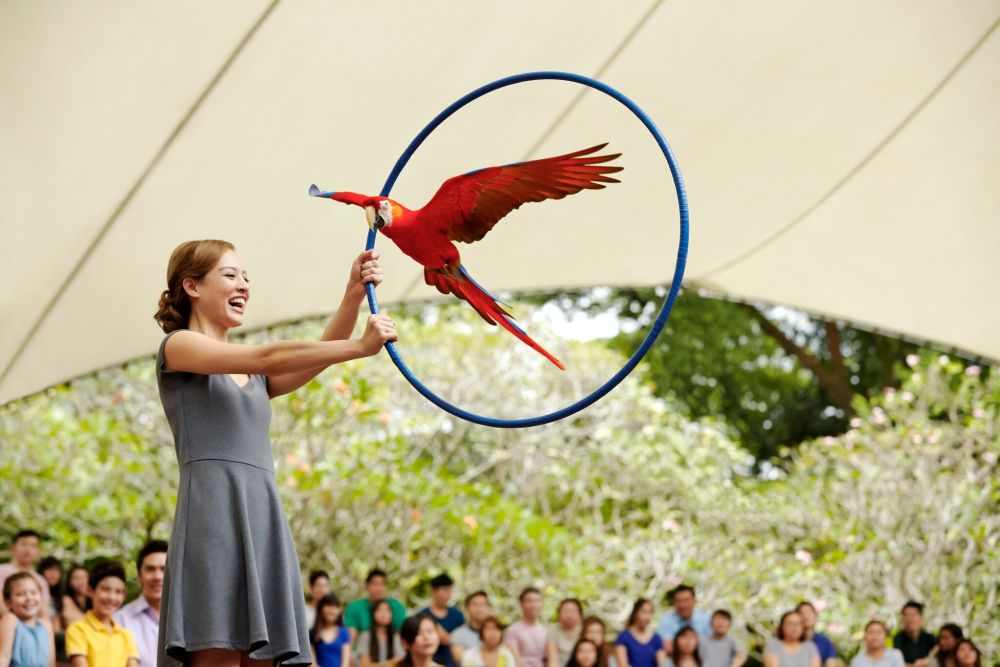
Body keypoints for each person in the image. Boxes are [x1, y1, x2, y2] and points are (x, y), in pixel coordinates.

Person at [153, 239, 396, 667]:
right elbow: (269, 355)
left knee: (264, 657)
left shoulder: (254, 375)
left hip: (263, 515)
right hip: (214, 514)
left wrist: (353, 295)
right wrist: (361, 347)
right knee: (219, 651)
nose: (243, 285)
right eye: (230, 275)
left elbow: (315, 357)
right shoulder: (179, 347)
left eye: (246, 277)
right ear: (191, 286)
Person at [64, 561, 139, 667]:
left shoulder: (126, 635)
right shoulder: (77, 629)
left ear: (124, 595)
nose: (112, 597)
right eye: (105, 589)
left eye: (118, 592)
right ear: (90, 590)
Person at [114, 540, 167, 667]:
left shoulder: (189, 620)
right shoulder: (119, 620)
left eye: (164, 569)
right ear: (139, 576)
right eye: (150, 569)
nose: (157, 576)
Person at [0, 572, 56, 667]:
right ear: (8, 602)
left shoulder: (46, 625)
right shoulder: (10, 620)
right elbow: (3, 658)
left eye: (33, 593)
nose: (29, 598)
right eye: (20, 594)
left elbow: (51, 663)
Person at [346, 569, 408, 640]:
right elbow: (350, 638)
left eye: (382, 584)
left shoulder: (397, 607)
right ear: (367, 586)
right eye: (374, 584)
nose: (378, 589)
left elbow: (403, 636)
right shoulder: (354, 607)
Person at [0, 531, 50, 619]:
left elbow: (43, 613)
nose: (28, 549)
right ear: (13, 548)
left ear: (39, 551)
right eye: (24, 544)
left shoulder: (40, 580)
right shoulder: (1, 571)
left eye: (33, 546)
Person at [419, 574, 465, 667]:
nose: (447, 595)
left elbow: (462, 641)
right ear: (433, 591)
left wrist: (448, 638)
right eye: (444, 591)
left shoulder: (457, 615)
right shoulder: (422, 615)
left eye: (449, 591)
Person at [657, 586, 711, 654]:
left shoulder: (706, 619)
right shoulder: (666, 619)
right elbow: (667, 647)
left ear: (694, 601)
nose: (683, 605)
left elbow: (712, 646)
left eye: (686, 600)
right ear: (674, 603)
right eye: (679, 601)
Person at [614, 599, 665, 667]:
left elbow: (661, 663)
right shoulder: (623, 637)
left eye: (650, 612)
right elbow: (622, 665)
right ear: (635, 613)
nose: (647, 617)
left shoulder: (656, 638)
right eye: (643, 612)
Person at [504, 588, 548, 667]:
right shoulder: (512, 630)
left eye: (537, 601)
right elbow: (515, 659)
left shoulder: (546, 630)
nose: (534, 605)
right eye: (529, 601)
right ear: (521, 604)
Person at [357, 600, 405, 667]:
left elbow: (401, 658)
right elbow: (364, 665)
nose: (384, 613)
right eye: (379, 610)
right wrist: (390, 663)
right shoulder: (366, 635)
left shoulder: (396, 635)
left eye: (387, 610)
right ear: (373, 614)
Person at [311, 594, 352, 667]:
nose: (332, 610)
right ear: (321, 609)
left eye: (335, 606)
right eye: (328, 606)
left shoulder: (344, 633)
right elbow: (312, 663)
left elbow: (345, 663)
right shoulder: (312, 633)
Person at [451, 591, 491, 663]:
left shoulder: (497, 632)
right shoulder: (458, 634)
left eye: (483, 604)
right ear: (467, 608)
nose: (479, 608)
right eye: (475, 604)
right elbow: (463, 661)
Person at [893, 602, 936, 667]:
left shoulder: (927, 637)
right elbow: (898, 662)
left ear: (921, 618)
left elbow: (940, 646)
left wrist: (928, 659)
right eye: (906, 615)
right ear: (902, 619)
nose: (910, 619)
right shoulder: (898, 638)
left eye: (913, 615)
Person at [547, 599, 583, 667]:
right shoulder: (552, 630)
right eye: (566, 611)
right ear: (558, 614)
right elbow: (553, 659)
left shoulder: (585, 630)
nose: (569, 615)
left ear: (580, 615)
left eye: (573, 611)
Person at [35, 558, 63, 632]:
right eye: (49, 569)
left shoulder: (57, 597)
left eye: (57, 570)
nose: (54, 574)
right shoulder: (35, 595)